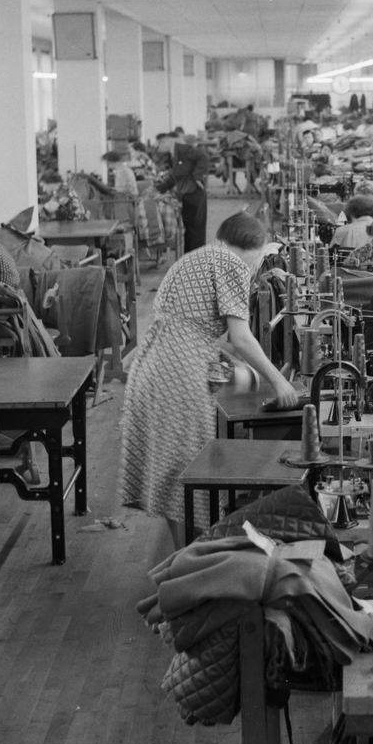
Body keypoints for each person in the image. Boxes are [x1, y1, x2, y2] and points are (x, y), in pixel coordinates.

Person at [119, 213, 298, 549]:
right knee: (192, 468)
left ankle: (185, 556)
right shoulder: (231, 263)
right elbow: (241, 337)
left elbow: (196, 326)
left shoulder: (195, 258)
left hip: (154, 363)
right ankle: (195, 560)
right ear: (253, 249)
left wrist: (239, 367)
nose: (255, 267)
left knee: (175, 470)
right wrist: (278, 381)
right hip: (179, 372)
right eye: (257, 260)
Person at [157, 132, 209, 252]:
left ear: (169, 141)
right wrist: (159, 189)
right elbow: (175, 177)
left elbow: (203, 157)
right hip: (187, 194)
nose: (159, 147)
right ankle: (189, 256)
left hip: (195, 193)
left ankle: (196, 257)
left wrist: (197, 176)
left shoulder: (182, 150)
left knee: (195, 229)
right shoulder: (174, 155)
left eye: (161, 143)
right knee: (190, 228)